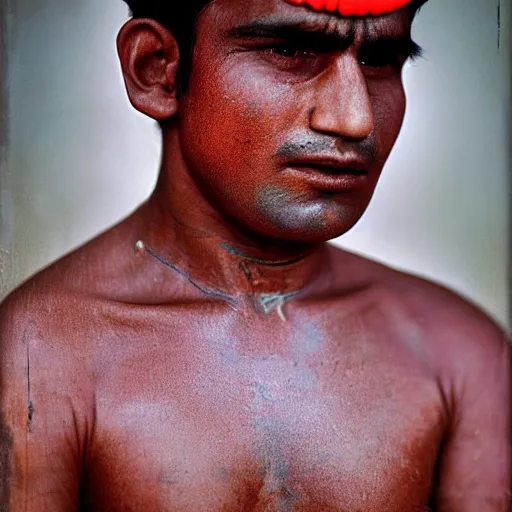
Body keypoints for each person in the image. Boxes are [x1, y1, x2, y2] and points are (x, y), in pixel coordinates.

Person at [0, 0, 509, 510]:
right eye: (289, 50)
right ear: (155, 69)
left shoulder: (461, 356)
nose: (355, 119)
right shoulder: (38, 356)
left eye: (380, 60)